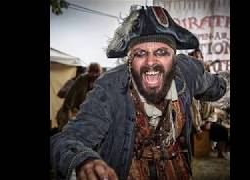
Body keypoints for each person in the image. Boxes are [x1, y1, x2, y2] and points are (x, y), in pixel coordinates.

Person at [51, 6, 226, 180]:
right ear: (129, 61)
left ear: (174, 58)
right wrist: (84, 162)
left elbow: (219, 87)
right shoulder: (111, 86)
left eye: (161, 52)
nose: (151, 62)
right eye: (140, 53)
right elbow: (68, 139)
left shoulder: (188, 72)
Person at [56, 63, 102, 130]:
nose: (94, 75)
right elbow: (64, 96)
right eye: (92, 72)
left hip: (87, 113)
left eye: (96, 73)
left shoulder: (100, 81)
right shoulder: (76, 81)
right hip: (73, 111)